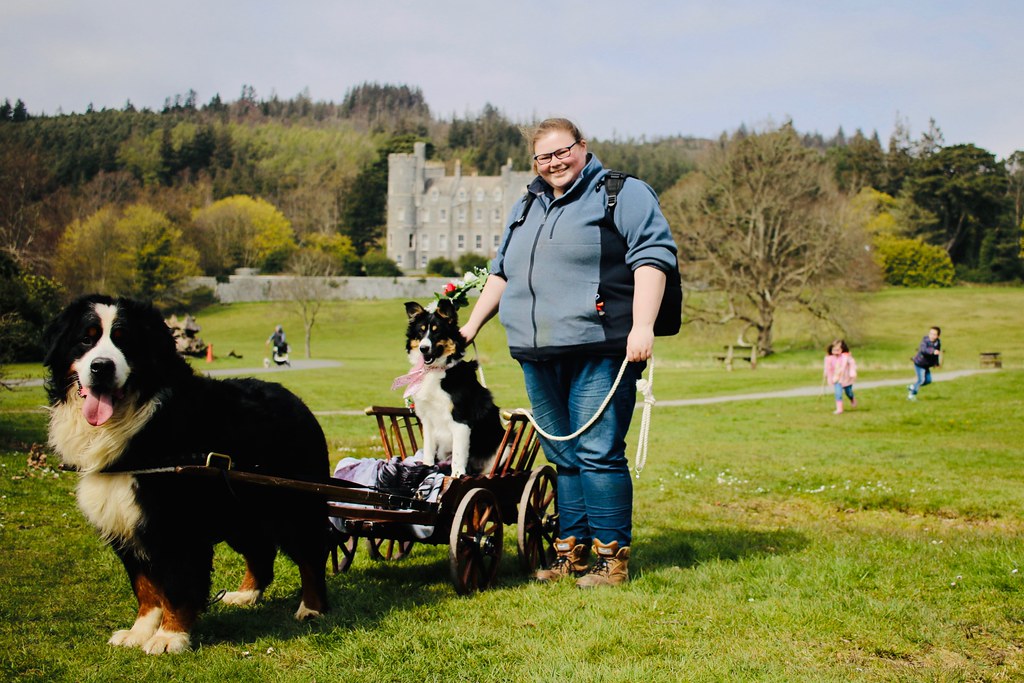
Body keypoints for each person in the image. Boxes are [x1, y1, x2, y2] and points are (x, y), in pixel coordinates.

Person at [459, 117, 678, 588]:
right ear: (534, 161)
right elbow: (501, 273)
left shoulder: (622, 192)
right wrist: (470, 326)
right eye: (544, 156)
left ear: (583, 147)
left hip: (600, 347)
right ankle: (570, 555)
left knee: (598, 451)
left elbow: (653, 256)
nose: (555, 163)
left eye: (563, 152)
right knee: (563, 454)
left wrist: (642, 325)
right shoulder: (526, 204)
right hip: (536, 353)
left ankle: (610, 560)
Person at [823, 339, 857, 414]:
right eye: (834, 350)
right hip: (836, 379)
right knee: (838, 393)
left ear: (842, 349)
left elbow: (852, 364)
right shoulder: (829, 358)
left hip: (846, 378)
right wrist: (826, 373)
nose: (836, 352)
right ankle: (839, 409)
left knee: (849, 392)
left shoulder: (846, 357)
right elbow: (828, 367)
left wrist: (852, 372)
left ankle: (852, 398)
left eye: (838, 350)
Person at [908, 326, 942, 400]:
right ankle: (911, 395)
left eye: (934, 334)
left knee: (928, 380)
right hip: (919, 363)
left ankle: (912, 386)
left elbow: (937, 354)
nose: (932, 336)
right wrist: (932, 351)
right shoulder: (925, 340)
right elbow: (924, 350)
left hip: (926, 365)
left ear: (938, 336)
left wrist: (936, 363)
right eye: (930, 333)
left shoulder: (938, 342)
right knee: (921, 380)